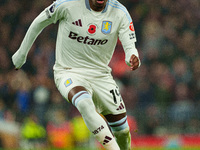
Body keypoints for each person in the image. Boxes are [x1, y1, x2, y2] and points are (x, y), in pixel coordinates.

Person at [12, 0, 141, 149]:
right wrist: (22, 53)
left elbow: (130, 47)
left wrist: (132, 57)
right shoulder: (68, 4)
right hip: (68, 72)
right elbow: (38, 22)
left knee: (122, 131)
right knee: (84, 103)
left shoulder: (120, 12)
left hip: (101, 76)